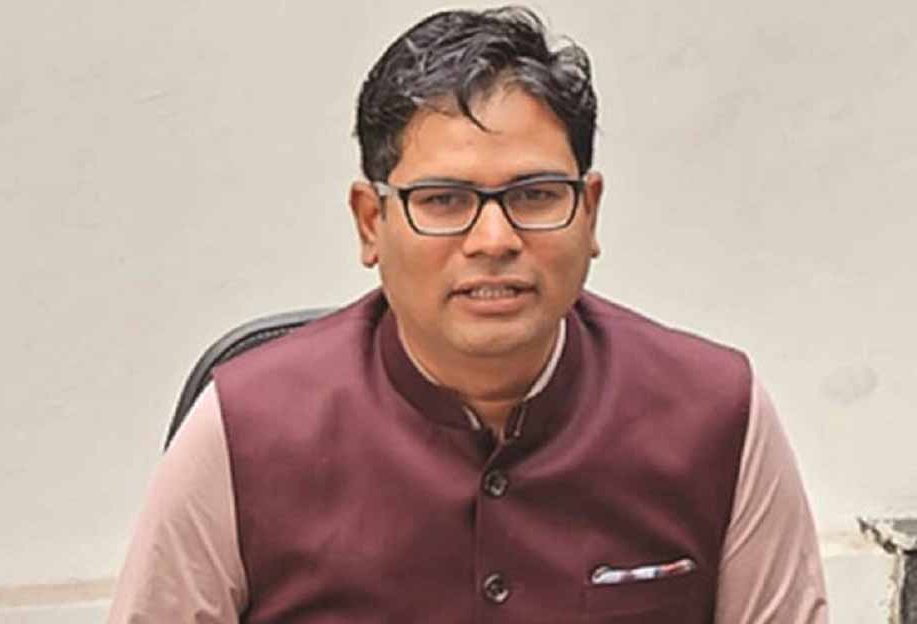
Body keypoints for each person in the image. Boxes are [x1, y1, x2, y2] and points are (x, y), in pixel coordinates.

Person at [109, 7, 828, 623]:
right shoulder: (243, 432)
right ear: (370, 221)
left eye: (536, 195)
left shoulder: (718, 414)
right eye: (444, 200)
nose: (493, 240)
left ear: (590, 211)